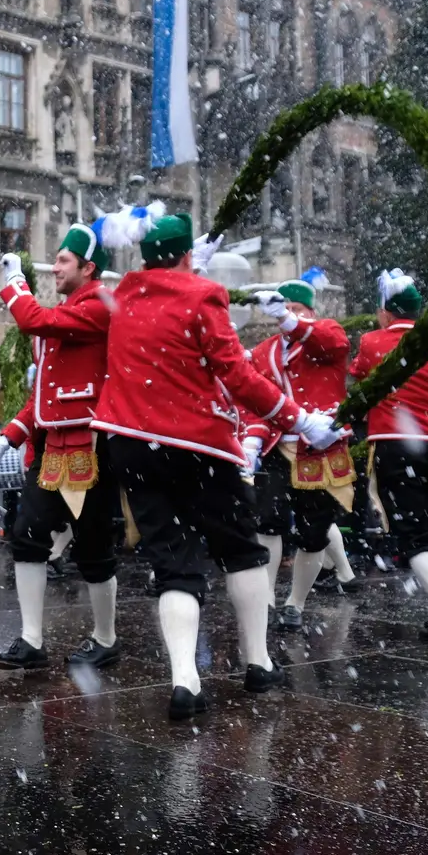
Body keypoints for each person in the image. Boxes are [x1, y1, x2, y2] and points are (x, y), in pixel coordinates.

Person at [92, 211, 340, 720]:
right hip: (197, 443)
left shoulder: (120, 298)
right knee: (242, 551)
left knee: (173, 564)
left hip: (132, 443)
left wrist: (175, 272)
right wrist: (299, 420)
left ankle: (185, 678)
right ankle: (258, 663)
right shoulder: (204, 296)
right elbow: (239, 376)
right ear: (188, 256)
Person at [0, 221, 119, 670]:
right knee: (27, 534)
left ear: (88, 267)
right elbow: (45, 395)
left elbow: (30, 318)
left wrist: (15, 283)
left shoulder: (98, 304)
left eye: (63, 260)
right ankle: (31, 639)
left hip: (93, 443)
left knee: (94, 547)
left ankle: (105, 637)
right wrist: (10, 435)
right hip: (53, 447)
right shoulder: (66, 311)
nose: (54, 266)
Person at [238, 272, 359, 632]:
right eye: (283, 308)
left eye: (296, 308)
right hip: (279, 446)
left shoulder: (328, 333)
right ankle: (268, 598)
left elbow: (331, 346)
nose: (287, 314)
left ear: (311, 310)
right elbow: (257, 400)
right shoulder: (264, 352)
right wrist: (253, 439)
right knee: (268, 524)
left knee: (313, 533)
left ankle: (296, 602)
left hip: (319, 448)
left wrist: (292, 322)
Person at [351, 269, 428, 644]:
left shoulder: (372, 342)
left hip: (395, 442)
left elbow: (360, 380)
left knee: (412, 535)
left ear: (387, 311)